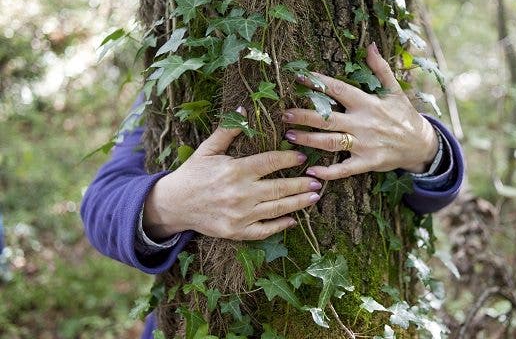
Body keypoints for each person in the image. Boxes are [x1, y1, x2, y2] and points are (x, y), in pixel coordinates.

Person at [81, 42, 465, 338]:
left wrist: (425, 145)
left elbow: (426, 195)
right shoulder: (170, 75)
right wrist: (171, 203)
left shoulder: (387, 62)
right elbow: (100, 204)